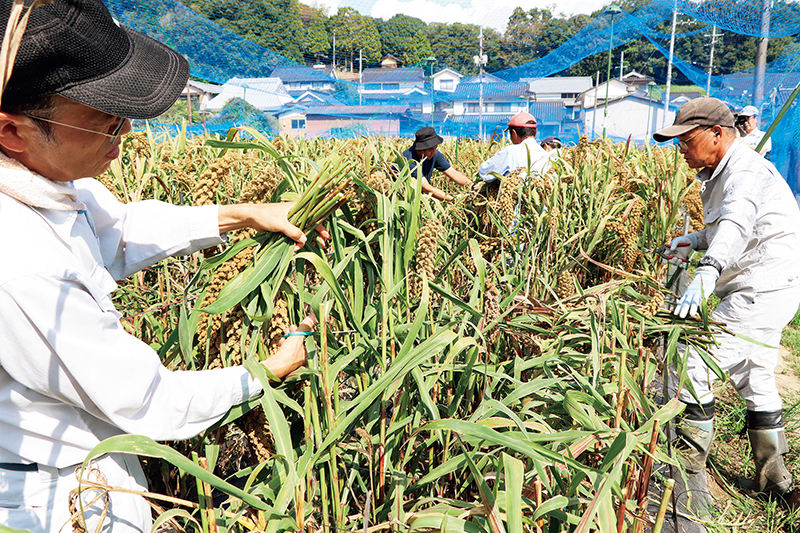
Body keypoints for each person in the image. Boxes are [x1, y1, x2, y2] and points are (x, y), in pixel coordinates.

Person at [0, 1, 327, 531]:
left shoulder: (46, 184)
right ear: (12, 132)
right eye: (105, 121)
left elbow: (119, 230)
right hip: (55, 499)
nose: (125, 130)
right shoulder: (21, 263)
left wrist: (243, 214)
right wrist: (266, 373)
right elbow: (149, 401)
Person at [653, 97, 800, 498]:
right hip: (766, 285)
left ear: (716, 134)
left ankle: (684, 471)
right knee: (755, 376)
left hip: (761, 288)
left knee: (692, 361)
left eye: (685, 139)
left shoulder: (745, 171)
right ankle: (776, 483)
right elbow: (735, 228)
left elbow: (736, 222)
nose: (680, 148)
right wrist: (695, 239)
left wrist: (708, 269)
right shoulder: (720, 172)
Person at [478, 112, 552, 184]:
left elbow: (484, 171)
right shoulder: (547, 156)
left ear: (514, 133)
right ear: (535, 133)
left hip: (513, 196)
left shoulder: (510, 152)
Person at [401, 126, 470, 201]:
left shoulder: (434, 154)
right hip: (404, 199)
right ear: (420, 149)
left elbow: (453, 173)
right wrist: (453, 199)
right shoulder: (409, 160)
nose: (434, 152)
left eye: (435, 148)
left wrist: (472, 185)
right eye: (431, 149)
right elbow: (426, 188)